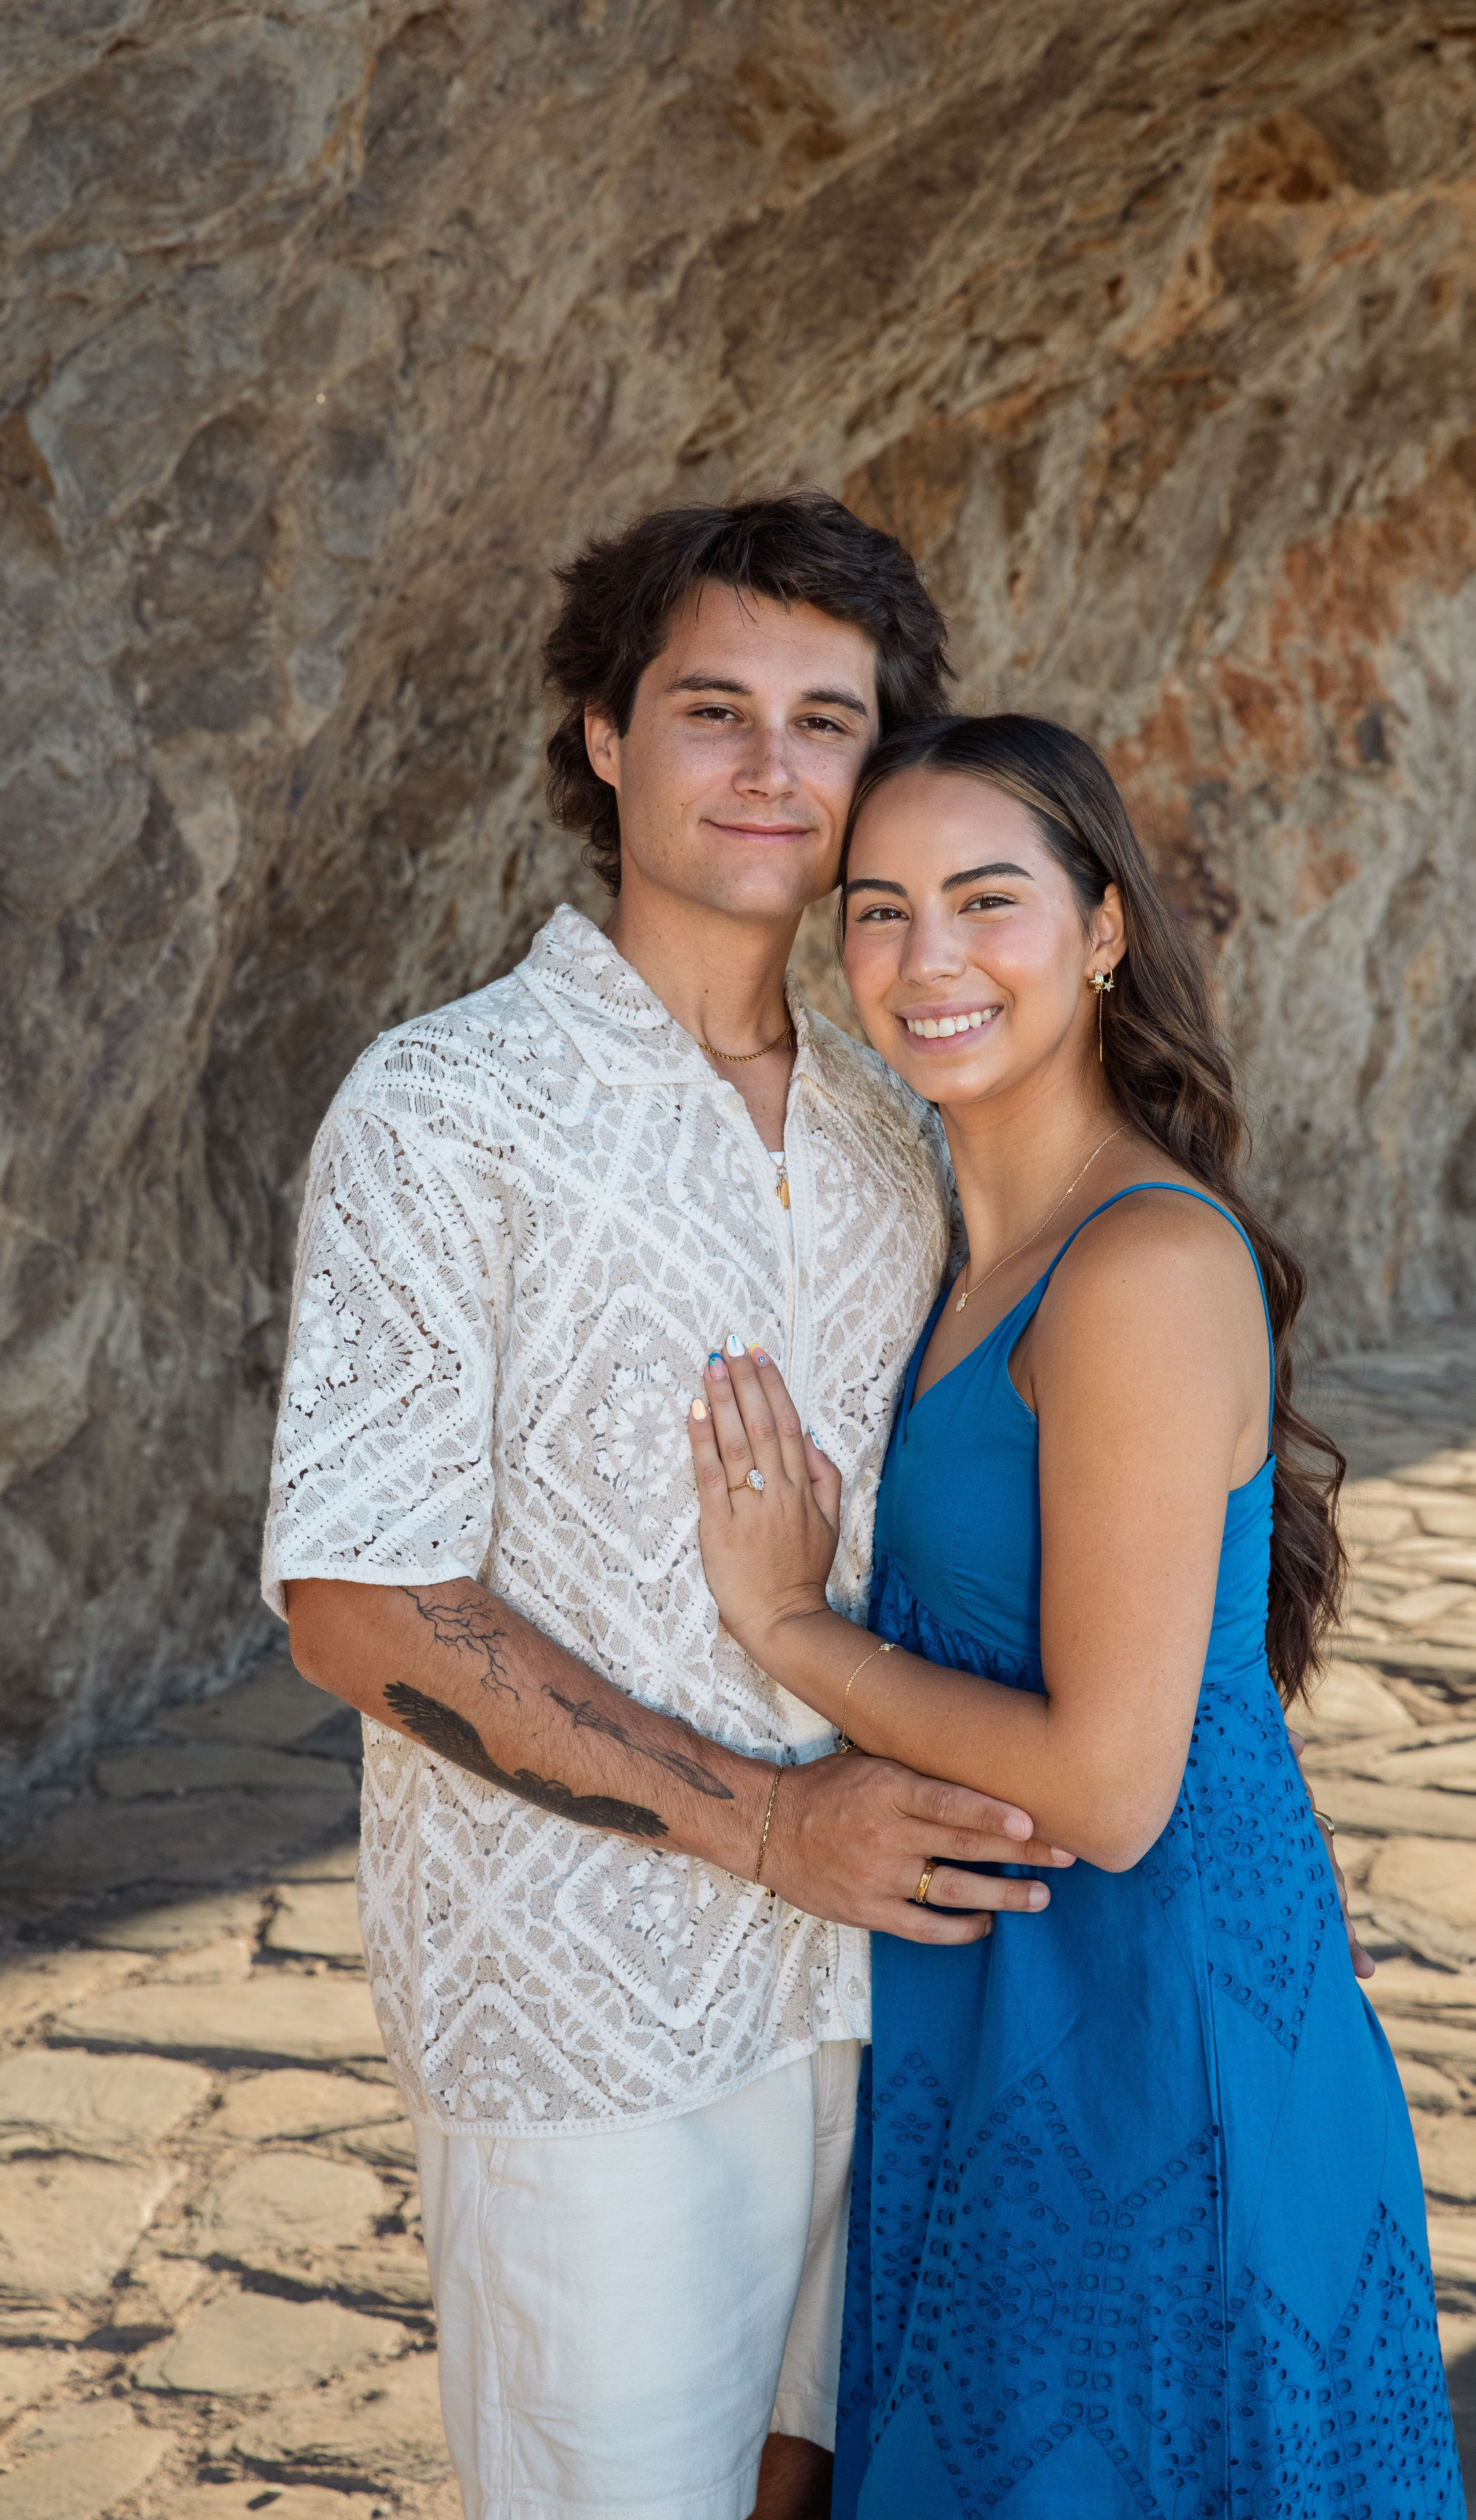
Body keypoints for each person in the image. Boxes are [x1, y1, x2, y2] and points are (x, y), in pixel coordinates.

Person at [262, 497, 1078, 2520]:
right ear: (609, 740)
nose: (773, 767)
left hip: (890, 1993)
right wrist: (770, 1827)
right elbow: (362, 1610)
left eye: (828, 720)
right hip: (582, 2016)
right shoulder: (449, 1107)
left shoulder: (909, 1118)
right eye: (714, 708)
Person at [686, 714, 1464, 2517]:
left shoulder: (1139, 1266)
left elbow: (1113, 1786)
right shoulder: (975, 1253)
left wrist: (793, 1633)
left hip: (1151, 2029)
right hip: (1011, 1997)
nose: (925, 960)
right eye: (877, 912)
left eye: (986, 900)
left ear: (1104, 929)